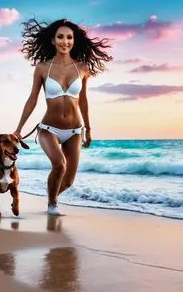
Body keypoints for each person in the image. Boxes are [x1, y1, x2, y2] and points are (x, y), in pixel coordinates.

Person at [13, 18, 112, 216]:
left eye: (69, 37)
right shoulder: (42, 68)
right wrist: (19, 129)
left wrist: (88, 129)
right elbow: (32, 98)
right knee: (59, 165)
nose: (65, 41)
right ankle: (52, 206)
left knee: (68, 180)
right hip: (49, 128)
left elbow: (83, 101)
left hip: (75, 130)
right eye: (60, 37)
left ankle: (50, 197)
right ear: (52, 40)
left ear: (74, 41)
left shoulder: (82, 68)